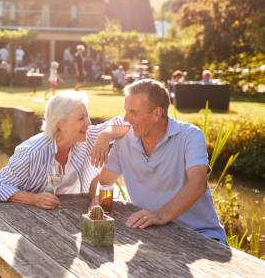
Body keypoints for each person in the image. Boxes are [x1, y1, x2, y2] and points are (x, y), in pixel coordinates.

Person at [88, 79, 227, 243]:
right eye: (126, 111)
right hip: (153, 235)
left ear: (157, 113)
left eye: (133, 112)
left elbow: (198, 183)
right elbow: (104, 181)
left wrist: (160, 215)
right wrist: (97, 201)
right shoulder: (124, 142)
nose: (126, 119)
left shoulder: (190, 136)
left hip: (201, 236)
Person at [0, 91, 129, 209]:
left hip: (76, 214)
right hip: (34, 220)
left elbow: (129, 122)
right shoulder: (31, 151)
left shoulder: (89, 136)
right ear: (61, 124)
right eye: (81, 118)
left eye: (87, 116)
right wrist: (34, 199)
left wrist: (106, 134)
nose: (89, 123)